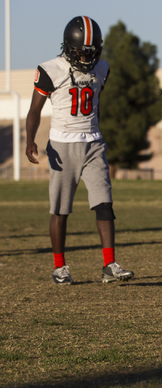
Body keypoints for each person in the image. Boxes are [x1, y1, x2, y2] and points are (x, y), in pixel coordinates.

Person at [25, 16, 134, 285]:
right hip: (62, 145)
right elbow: (34, 110)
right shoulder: (51, 69)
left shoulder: (103, 68)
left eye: (90, 52)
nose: (86, 59)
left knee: (105, 202)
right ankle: (59, 267)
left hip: (94, 143)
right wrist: (31, 140)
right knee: (61, 209)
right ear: (68, 48)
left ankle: (110, 264)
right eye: (80, 52)